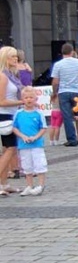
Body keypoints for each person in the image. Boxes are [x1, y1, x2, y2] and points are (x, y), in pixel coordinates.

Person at [11, 86, 47, 195]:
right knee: (26, 165)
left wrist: (36, 137)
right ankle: (29, 185)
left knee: (39, 164)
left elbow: (43, 128)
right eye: (26, 97)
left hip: (37, 144)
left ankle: (41, 185)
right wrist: (22, 136)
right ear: (23, 99)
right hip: (23, 144)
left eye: (31, 97)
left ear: (35, 99)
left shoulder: (39, 113)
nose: (29, 100)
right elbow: (14, 127)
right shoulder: (19, 113)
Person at [51, 43, 78, 146]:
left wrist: (54, 92)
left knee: (67, 117)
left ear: (62, 52)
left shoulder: (58, 64)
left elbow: (55, 81)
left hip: (64, 92)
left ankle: (72, 139)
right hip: (77, 91)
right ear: (72, 52)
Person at [0, 47, 24, 195]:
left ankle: (4, 183)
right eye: (12, 57)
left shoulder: (11, 75)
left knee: (9, 149)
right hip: (5, 116)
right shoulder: (3, 76)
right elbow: (1, 101)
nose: (15, 59)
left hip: (11, 114)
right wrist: (20, 102)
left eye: (16, 56)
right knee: (10, 149)